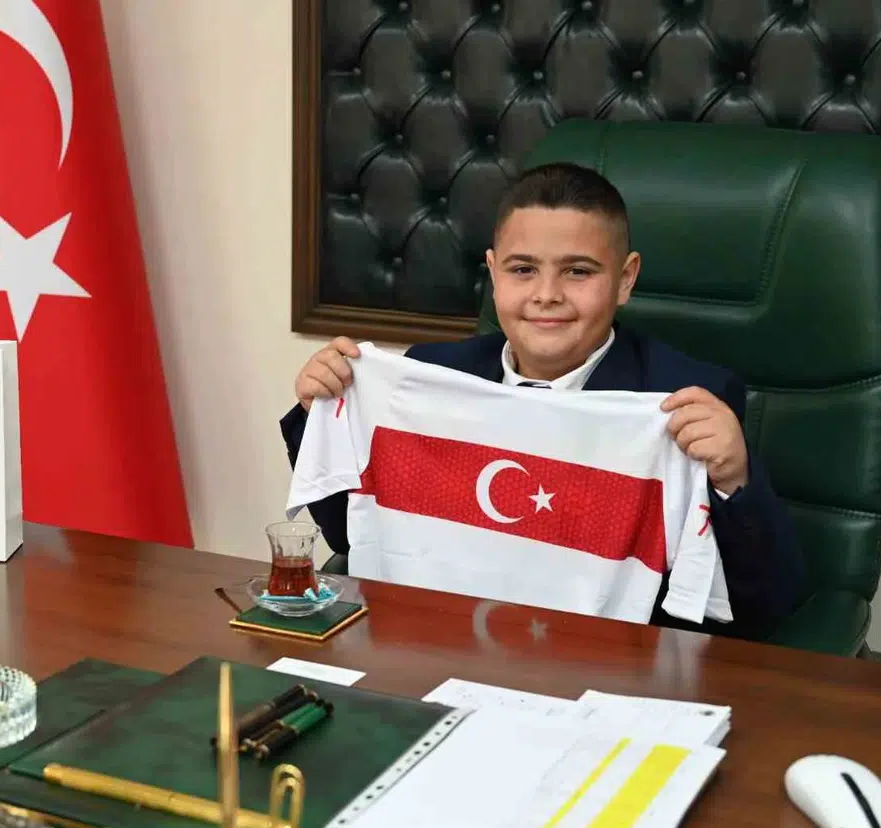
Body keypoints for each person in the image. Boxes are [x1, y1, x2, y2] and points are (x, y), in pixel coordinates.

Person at [279, 162, 806, 641]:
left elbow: (765, 604)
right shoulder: (429, 376)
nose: (547, 294)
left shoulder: (681, 400)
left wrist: (733, 479)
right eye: (523, 269)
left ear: (625, 279)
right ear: (492, 272)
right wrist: (317, 414)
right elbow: (352, 533)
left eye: (578, 271)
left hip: (601, 670)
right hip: (443, 647)